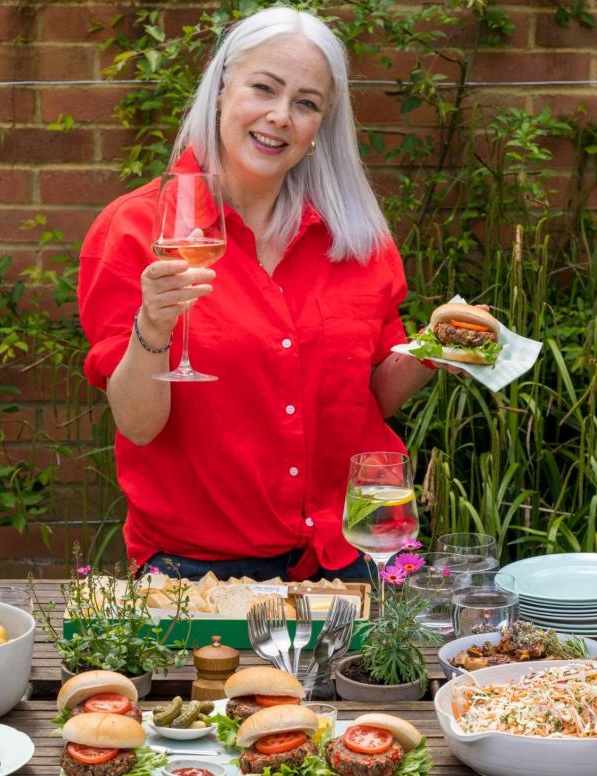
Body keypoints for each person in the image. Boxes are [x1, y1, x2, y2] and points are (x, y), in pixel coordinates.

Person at [78, 6, 458, 582]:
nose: (280, 117)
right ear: (223, 86)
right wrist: (152, 328)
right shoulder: (136, 231)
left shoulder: (357, 239)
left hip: (353, 548)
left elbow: (369, 398)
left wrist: (436, 346)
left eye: (306, 103)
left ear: (321, 127)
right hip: (200, 570)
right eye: (265, 88)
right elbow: (138, 425)